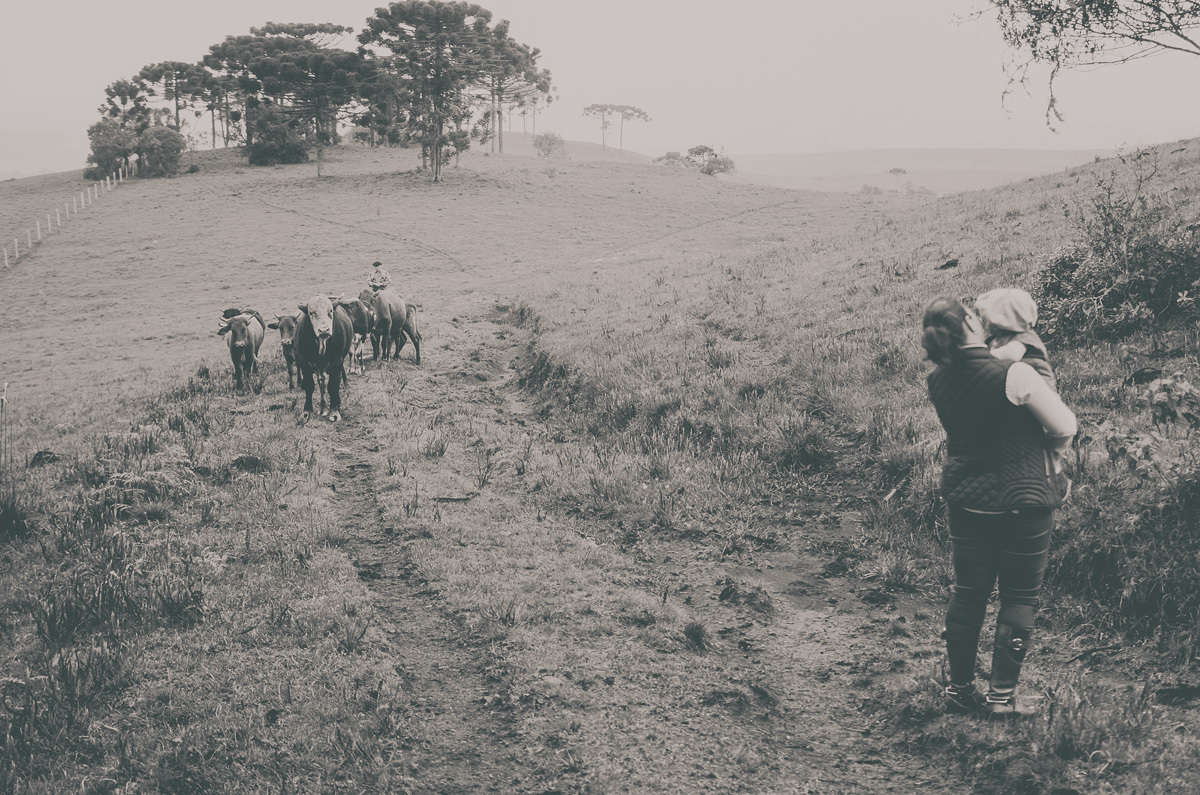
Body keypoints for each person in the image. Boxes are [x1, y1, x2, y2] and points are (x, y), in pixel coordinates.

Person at [921, 297, 1076, 717]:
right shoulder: (1016, 373)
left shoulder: (939, 379)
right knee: (1019, 597)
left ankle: (958, 691)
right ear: (971, 321)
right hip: (1021, 500)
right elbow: (1065, 425)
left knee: (968, 594)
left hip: (966, 500)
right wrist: (1048, 451)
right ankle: (1001, 699)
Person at [975, 288, 1056, 391]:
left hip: (1039, 388)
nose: (987, 325)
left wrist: (983, 357)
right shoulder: (995, 340)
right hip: (1017, 385)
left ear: (1002, 322)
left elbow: (1011, 355)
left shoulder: (1024, 338)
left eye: (989, 320)